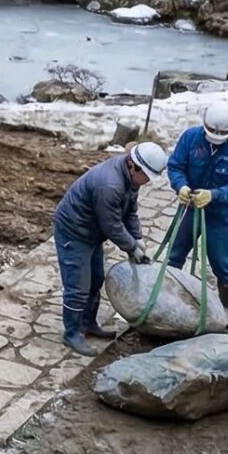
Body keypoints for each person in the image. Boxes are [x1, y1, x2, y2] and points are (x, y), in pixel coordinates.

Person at [52, 142, 166, 356]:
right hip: (74, 232)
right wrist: (131, 247)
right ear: (134, 166)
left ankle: (87, 323)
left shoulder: (131, 178)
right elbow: (112, 225)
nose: (149, 181)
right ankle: (72, 334)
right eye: (148, 177)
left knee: (96, 279)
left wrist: (138, 238)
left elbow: (130, 211)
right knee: (78, 287)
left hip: (91, 232)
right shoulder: (110, 185)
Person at [165, 100, 228, 305]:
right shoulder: (190, 138)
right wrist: (181, 186)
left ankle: (223, 308)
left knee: (224, 266)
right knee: (173, 256)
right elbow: (176, 166)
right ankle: (166, 298)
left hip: (220, 216)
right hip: (190, 208)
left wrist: (214, 195)